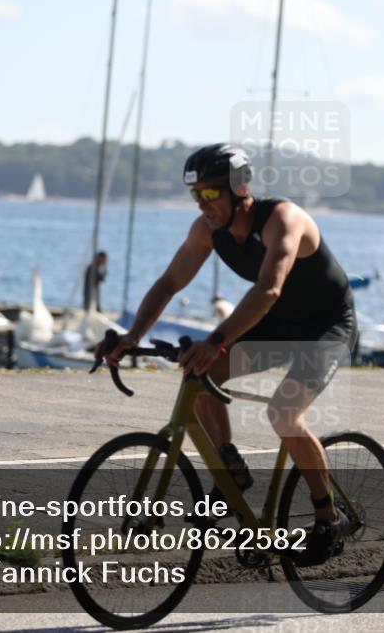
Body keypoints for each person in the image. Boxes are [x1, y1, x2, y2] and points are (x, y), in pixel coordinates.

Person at [101, 143, 358, 567]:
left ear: (239, 188)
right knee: (199, 377)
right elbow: (169, 283)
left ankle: (329, 515)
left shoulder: (283, 219)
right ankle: (230, 467)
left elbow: (269, 289)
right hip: (276, 324)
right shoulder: (207, 230)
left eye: (209, 194)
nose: (202, 205)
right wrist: (131, 335)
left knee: (284, 413)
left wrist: (216, 340)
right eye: (195, 195)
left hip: (325, 326)